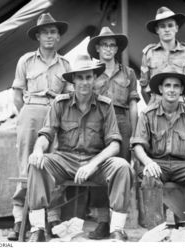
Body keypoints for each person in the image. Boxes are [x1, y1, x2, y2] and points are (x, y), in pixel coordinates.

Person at [26, 54, 133, 242]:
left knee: (122, 166)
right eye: (80, 77)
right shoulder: (60, 103)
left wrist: (92, 165)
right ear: (73, 81)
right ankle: (38, 229)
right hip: (65, 160)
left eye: (89, 77)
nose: (84, 82)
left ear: (94, 79)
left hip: (96, 162)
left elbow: (115, 144)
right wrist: (38, 151)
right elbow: (46, 134)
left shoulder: (105, 106)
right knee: (36, 165)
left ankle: (117, 229)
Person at [132, 71, 185, 239]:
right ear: (160, 89)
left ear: (181, 91)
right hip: (156, 163)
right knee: (150, 177)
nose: (172, 90)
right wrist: (148, 163)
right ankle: (157, 235)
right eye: (168, 85)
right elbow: (138, 146)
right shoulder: (147, 114)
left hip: (181, 165)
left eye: (176, 86)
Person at [8, 13, 72, 241]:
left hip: (55, 115)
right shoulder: (25, 61)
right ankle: (19, 219)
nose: (49, 36)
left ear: (58, 36)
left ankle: (52, 216)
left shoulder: (65, 64)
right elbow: (17, 95)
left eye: (53, 32)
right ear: (37, 36)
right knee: (26, 165)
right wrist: (27, 115)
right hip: (31, 112)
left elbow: (69, 96)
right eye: (45, 32)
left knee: (53, 164)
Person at [86, 26, 139, 239]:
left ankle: (118, 226)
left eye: (112, 45)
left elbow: (134, 105)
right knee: (99, 170)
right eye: (104, 44)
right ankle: (102, 223)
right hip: (97, 124)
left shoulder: (129, 73)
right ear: (97, 48)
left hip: (122, 121)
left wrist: (135, 136)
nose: (108, 48)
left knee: (122, 171)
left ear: (116, 48)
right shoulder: (91, 72)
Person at [140, 6, 185, 105]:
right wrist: (151, 108)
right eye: (162, 26)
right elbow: (143, 86)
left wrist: (183, 107)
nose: (167, 29)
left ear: (176, 28)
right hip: (155, 107)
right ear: (157, 30)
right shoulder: (148, 53)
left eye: (170, 25)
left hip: (179, 107)